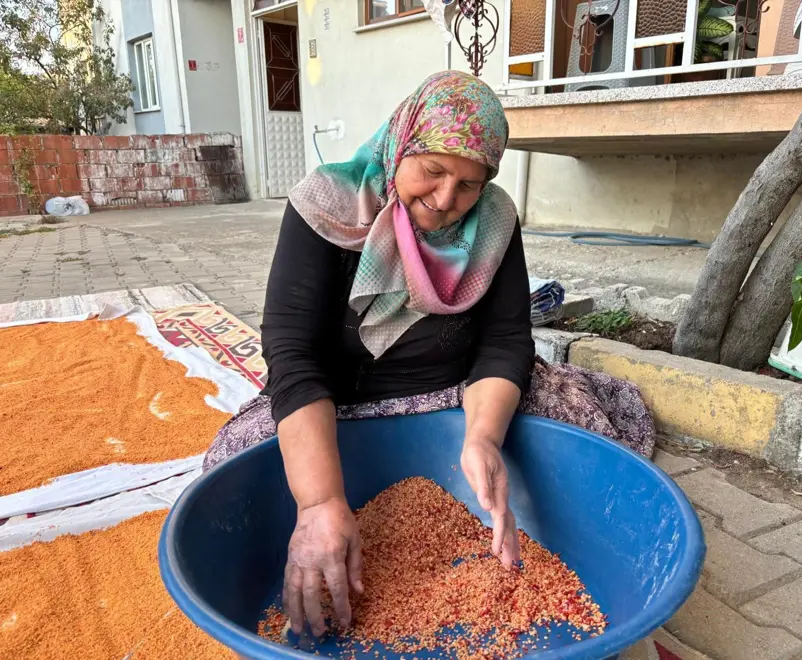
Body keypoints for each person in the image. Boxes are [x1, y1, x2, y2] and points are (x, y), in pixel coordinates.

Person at [203, 71, 655, 638]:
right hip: (338, 407)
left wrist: (484, 438)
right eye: (433, 170)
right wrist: (319, 503)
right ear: (400, 146)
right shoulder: (328, 205)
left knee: (578, 418)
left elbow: (506, 340)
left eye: (469, 183)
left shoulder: (493, 220)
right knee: (232, 464)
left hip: (455, 395)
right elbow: (292, 355)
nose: (446, 200)